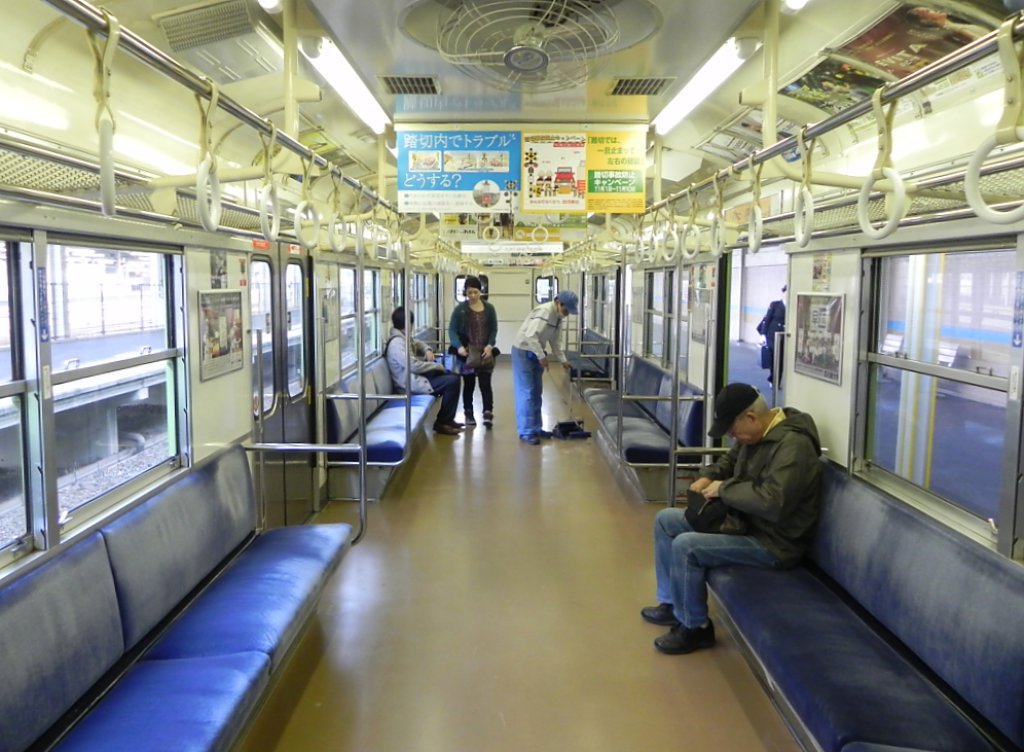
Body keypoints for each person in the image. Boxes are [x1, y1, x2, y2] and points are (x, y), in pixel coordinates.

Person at [641, 383, 823, 655]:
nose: (732, 436)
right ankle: (672, 602)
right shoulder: (757, 435)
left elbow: (773, 502)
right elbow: (730, 460)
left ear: (750, 417)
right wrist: (708, 476)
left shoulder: (793, 447)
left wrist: (723, 489)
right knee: (666, 521)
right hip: (746, 523)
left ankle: (695, 628)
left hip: (774, 543)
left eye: (732, 430)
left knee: (686, 546)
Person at [510, 290, 578, 445]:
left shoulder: (558, 318)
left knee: (536, 392)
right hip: (523, 351)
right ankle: (526, 431)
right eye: (566, 310)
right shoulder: (545, 311)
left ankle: (536, 427)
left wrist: (563, 360)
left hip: (535, 352)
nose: (567, 314)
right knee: (526, 393)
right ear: (558, 303)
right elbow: (530, 336)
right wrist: (542, 357)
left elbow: (555, 341)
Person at [385, 306, 463, 436]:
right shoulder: (397, 344)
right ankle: (442, 422)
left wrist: (427, 349)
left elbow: (417, 343)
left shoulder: (403, 337)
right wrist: (436, 366)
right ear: (408, 324)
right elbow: (413, 366)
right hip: (409, 384)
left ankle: (447, 420)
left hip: (415, 377)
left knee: (452, 376)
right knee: (452, 381)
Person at [448, 276, 499, 428]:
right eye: (469, 293)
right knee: (469, 384)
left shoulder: (489, 309)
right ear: (465, 292)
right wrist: (458, 346)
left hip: (484, 352)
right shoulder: (460, 309)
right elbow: (452, 330)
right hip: (467, 353)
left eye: (475, 292)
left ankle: (488, 412)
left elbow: (493, 329)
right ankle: (468, 412)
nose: (472, 296)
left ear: (480, 292)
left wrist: (490, 345)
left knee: (485, 384)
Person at [757, 286, 786, 385]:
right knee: (774, 357)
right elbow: (767, 320)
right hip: (772, 336)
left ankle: (775, 379)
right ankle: (774, 380)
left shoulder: (793, 306)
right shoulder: (775, 304)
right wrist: (763, 335)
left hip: (784, 336)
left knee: (781, 359)